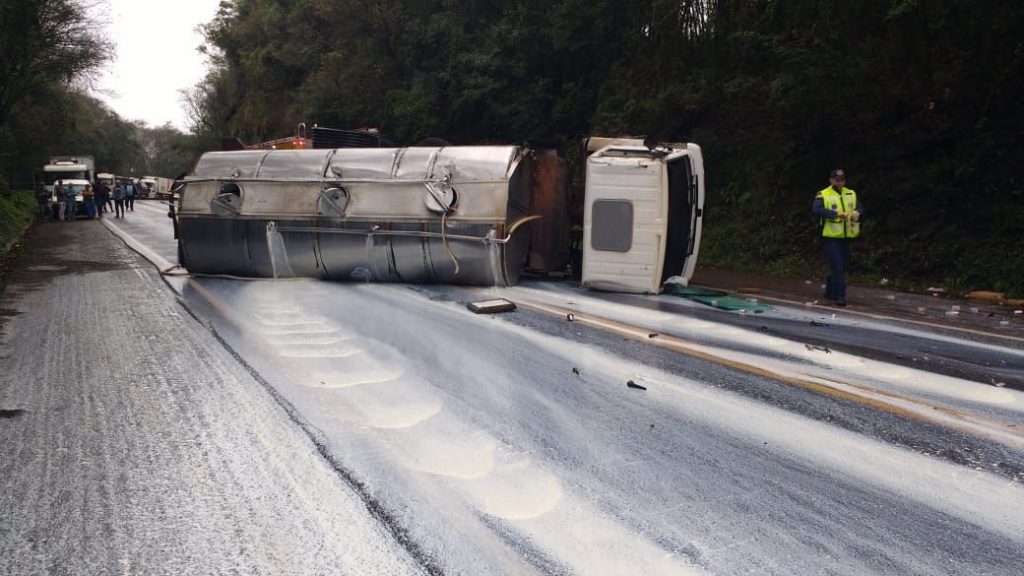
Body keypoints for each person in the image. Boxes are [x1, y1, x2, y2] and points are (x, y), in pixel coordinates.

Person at [812, 169, 862, 307]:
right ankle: (840, 297)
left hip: (846, 237)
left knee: (841, 266)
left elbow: (860, 207)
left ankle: (830, 290)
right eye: (837, 180)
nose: (840, 182)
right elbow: (816, 209)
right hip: (830, 237)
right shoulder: (823, 194)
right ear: (831, 180)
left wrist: (857, 213)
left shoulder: (850, 193)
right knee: (838, 267)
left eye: (842, 180)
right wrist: (835, 214)